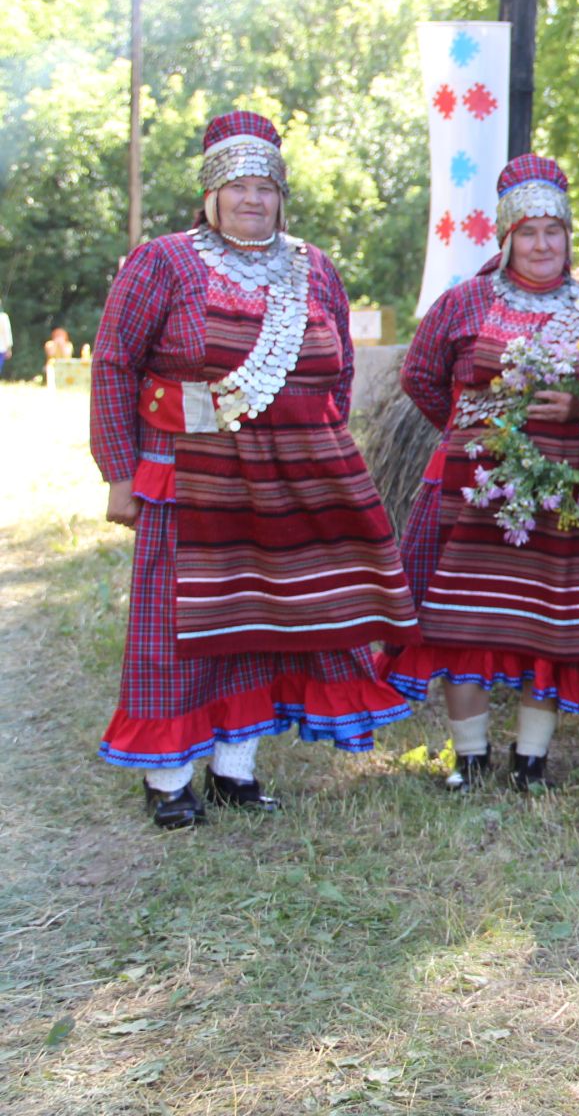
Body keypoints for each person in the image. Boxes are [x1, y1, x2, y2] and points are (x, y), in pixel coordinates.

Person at [89, 110, 418, 828]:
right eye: (237, 185)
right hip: (188, 471)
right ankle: (169, 780)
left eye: (266, 185)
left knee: (267, 626)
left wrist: (321, 460)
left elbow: (339, 374)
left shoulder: (313, 266)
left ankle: (236, 769)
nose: (252, 199)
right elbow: (115, 363)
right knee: (182, 629)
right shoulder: (164, 262)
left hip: (289, 482)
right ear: (210, 195)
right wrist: (118, 470)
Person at [383, 155, 579, 791]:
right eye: (528, 231)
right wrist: (479, 427)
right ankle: (469, 758)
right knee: (464, 622)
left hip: (562, 494)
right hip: (474, 490)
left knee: (548, 625)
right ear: (505, 238)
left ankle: (531, 762)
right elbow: (419, 375)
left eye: (553, 231)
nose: (542, 244)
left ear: (569, 238)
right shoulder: (464, 303)